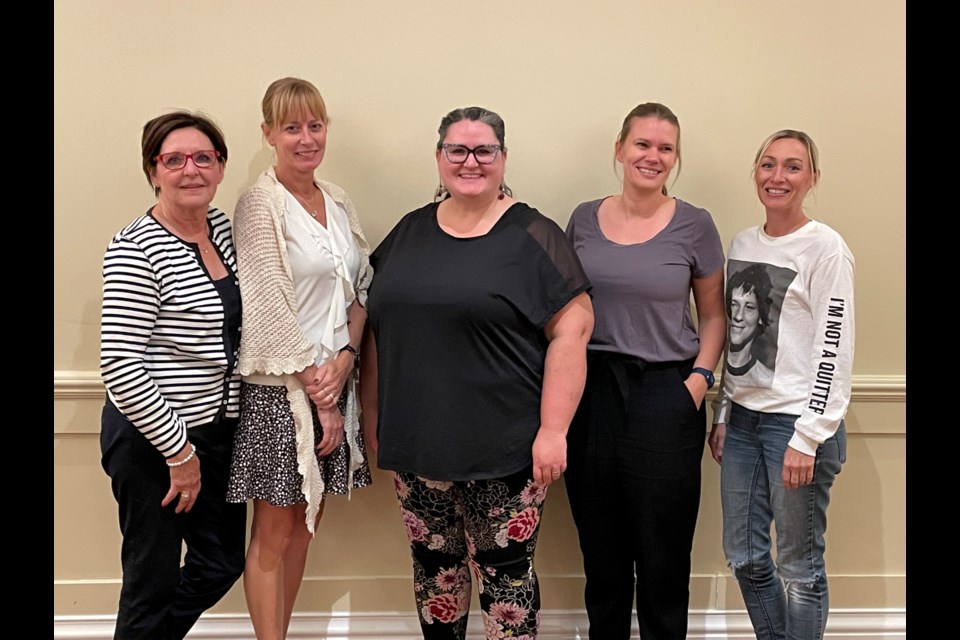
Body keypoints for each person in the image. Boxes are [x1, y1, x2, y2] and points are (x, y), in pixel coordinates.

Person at [361, 106, 594, 640]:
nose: (470, 161)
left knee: (506, 584)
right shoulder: (411, 230)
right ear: (439, 157)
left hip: (507, 451)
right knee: (434, 579)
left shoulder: (533, 234)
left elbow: (573, 332)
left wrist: (554, 431)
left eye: (483, 150)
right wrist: (374, 416)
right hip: (418, 447)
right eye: (457, 150)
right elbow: (372, 322)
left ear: (502, 158)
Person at [564, 102, 726, 639]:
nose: (652, 156)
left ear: (675, 158)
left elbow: (714, 315)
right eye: (642, 144)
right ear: (619, 149)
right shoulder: (583, 219)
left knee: (663, 553)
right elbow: (565, 307)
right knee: (602, 550)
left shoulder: (695, 225)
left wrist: (698, 382)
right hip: (592, 393)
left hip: (667, 392)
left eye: (665, 148)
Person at [226, 77, 373, 640]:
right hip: (280, 395)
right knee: (275, 534)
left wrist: (346, 358)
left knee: (306, 528)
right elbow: (267, 306)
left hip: (335, 382)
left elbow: (359, 291)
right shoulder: (260, 205)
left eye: (315, 125)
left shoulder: (337, 200)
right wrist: (323, 398)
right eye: (291, 127)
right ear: (268, 134)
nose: (306, 138)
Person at [99, 111, 246, 640]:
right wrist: (179, 456)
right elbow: (120, 364)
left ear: (221, 166)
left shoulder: (225, 231)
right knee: (150, 582)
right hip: (153, 440)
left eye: (203, 157)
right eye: (174, 159)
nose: (191, 170)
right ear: (153, 170)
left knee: (221, 563)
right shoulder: (135, 245)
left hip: (217, 430)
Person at [709, 130, 855, 640]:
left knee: (799, 568)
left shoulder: (826, 248)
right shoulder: (743, 243)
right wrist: (724, 413)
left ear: (812, 177)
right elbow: (735, 336)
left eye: (793, 167)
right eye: (768, 165)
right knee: (745, 557)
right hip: (745, 422)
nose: (778, 176)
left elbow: (833, 345)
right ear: (755, 173)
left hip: (796, 426)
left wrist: (808, 436)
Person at [726, 262, 776, 386]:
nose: (738, 316)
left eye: (749, 307)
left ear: (760, 316)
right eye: (734, 304)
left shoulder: (768, 379)